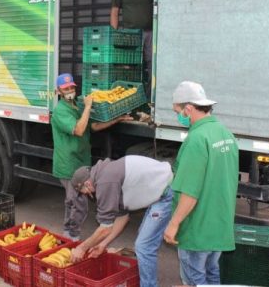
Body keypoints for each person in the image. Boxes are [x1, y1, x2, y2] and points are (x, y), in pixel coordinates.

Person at [163, 81, 239, 285]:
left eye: (177, 111)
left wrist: (173, 224)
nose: (177, 117)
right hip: (219, 227)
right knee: (212, 274)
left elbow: (190, 191)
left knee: (195, 280)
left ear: (188, 109)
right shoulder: (225, 133)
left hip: (198, 229)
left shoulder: (196, 139)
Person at [69, 155, 173, 287]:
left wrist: (82, 248)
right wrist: (102, 245)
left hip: (166, 192)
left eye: (83, 191)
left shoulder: (105, 182)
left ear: (87, 184)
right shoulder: (106, 173)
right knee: (144, 240)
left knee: (144, 247)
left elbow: (105, 228)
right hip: (158, 191)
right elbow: (122, 217)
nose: (86, 195)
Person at [51, 73, 131, 241]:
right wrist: (88, 106)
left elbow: (92, 126)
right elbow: (79, 130)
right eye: (66, 89)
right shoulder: (60, 111)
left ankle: (69, 234)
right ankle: (71, 235)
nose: (70, 90)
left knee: (75, 201)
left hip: (81, 162)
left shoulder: (75, 106)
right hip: (69, 165)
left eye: (72, 87)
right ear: (58, 91)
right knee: (76, 203)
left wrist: (116, 120)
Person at [110, 0, 154, 97]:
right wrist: (114, 34)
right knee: (131, 66)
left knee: (152, 65)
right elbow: (115, 12)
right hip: (130, 34)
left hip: (150, 32)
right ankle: (131, 97)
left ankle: (148, 99)